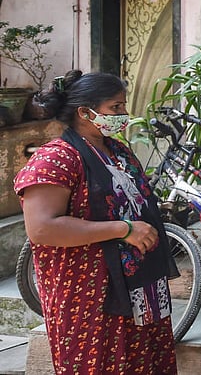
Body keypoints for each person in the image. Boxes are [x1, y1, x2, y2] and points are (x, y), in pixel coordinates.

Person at [13, 70, 178, 374]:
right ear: (85, 113)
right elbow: (42, 228)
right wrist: (124, 229)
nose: (124, 115)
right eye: (115, 108)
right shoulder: (56, 159)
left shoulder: (118, 151)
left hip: (139, 289)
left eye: (123, 106)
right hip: (90, 297)